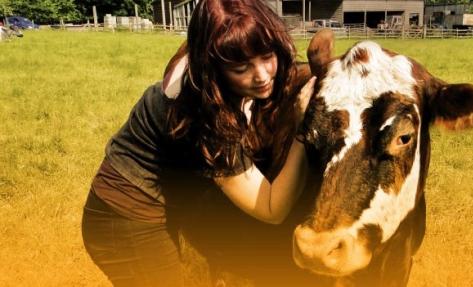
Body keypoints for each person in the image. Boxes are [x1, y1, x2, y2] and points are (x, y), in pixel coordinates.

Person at [81, 0, 316, 286]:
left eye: (267, 56)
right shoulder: (201, 114)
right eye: (241, 68)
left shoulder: (196, 66)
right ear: (213, 66)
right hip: (125, 219)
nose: (262, 75)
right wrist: (302, 132)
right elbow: (270, 208)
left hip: (141, 208)